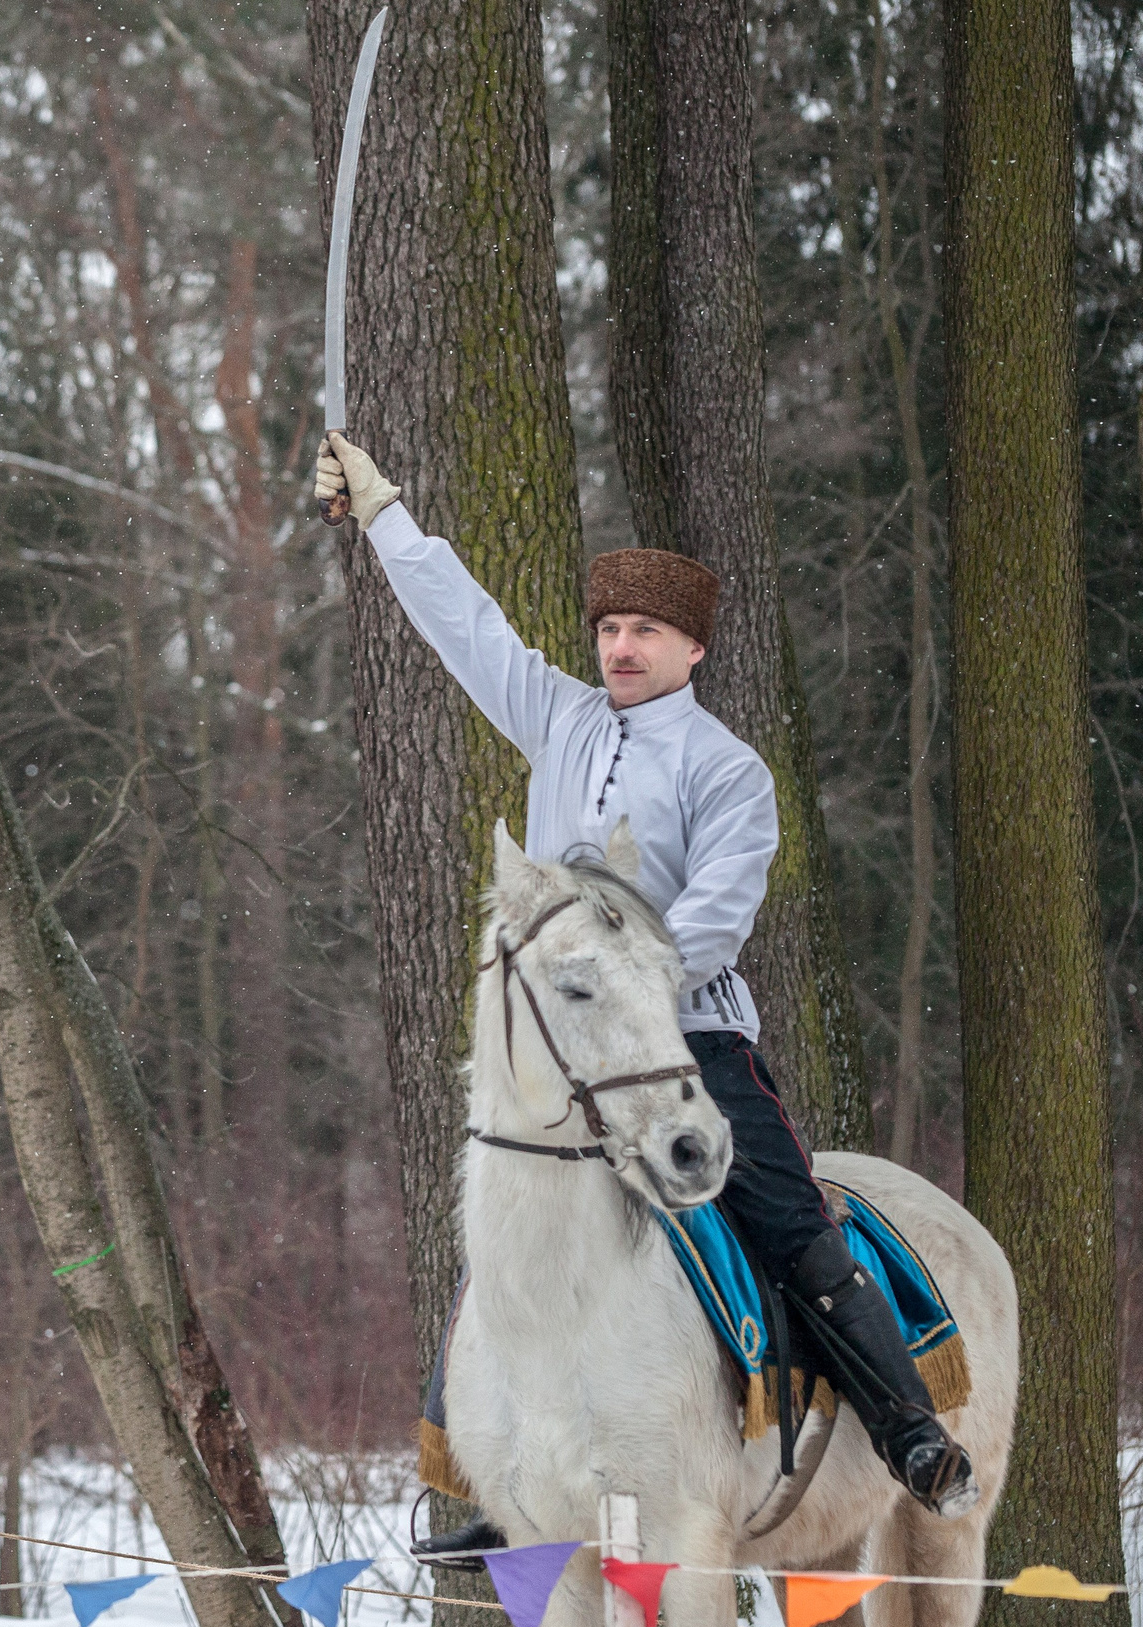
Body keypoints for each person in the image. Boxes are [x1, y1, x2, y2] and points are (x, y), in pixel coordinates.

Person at [311, 434, 976, 1559]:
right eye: (611, 628)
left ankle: (911, 1433)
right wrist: (381, 513)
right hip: (563, 1049)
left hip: (688, 1041)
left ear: (693, 648)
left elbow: (717, 916)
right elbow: (463, 621)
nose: (621, 648)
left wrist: (628, 978)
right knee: (508, 1226)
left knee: (789, 1221)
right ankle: (495, 1482)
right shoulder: (559, 716)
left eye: (646, 632)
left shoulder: (728, 770)